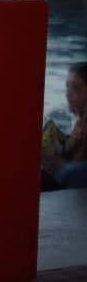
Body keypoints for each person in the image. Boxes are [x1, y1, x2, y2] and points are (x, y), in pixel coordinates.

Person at [41, 62, 87, 190]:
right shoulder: (79, 123)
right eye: (67, 87)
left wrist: (57, 164)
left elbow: (77, 168)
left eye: (76, 88)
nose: (68, 94)